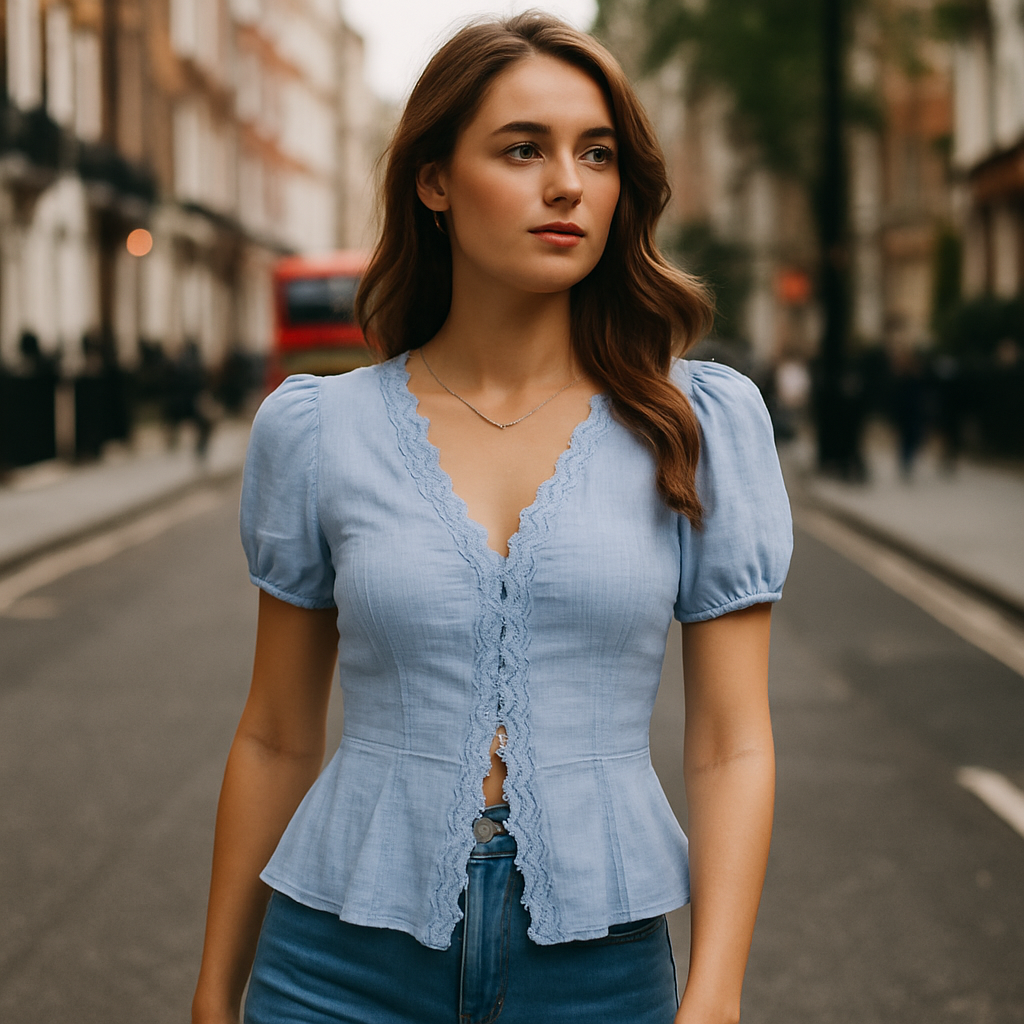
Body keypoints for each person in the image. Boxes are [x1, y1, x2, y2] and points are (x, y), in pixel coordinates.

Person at [192, 14, 792, 1024]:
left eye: (595, 155)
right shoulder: (319, 427)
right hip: (336, 967)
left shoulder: (696, 423)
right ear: (434, 180)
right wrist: (215, 992)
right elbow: (276, 734)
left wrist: (716, 992)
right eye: (524, 149)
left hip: (597, 974)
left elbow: (731, 739)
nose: (568, 184)